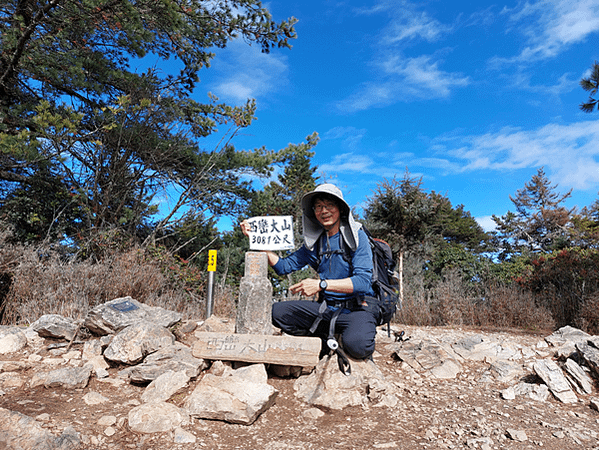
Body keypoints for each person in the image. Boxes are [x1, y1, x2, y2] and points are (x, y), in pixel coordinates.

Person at [241, 183, 379, 361]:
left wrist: (321, 285)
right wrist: (256, 240)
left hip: (357, 310)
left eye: (329, 205)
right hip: (327, 309)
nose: (324, 211)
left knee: (359, 347)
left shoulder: (357, 236)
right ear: (313, 212)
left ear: (341, 209)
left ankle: (345, 333)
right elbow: (284, 266)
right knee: (276, 312)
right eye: (319, 206)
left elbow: (363, 282)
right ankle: (326, 338)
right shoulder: (315, 243)